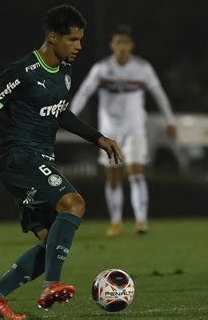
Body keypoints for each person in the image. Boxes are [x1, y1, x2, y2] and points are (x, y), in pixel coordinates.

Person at [0, 5, 123, 319]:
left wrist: (98, 138)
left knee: (51, 241)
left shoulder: (64, 70)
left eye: (80, 39)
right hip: (19, 158)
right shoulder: (23, 71)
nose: (78, 46)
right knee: (74, 204)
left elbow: (62, 112)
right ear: (53, 37)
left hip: (38, 159)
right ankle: (52, 284)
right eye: (72, 39)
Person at [70, 24, 176, 237]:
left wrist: (170, 121)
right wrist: (70, 117)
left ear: (131, 45)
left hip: (135, 128)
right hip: (109, 131)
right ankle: (116, 222)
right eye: (118, 43)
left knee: (137, 174)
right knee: (114, 176)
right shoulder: (102, 68)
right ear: (112, 45)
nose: (121, 47)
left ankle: (141, 222)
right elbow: (84, 93)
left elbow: (159, 93)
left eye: (125, 43)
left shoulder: (142, 68)